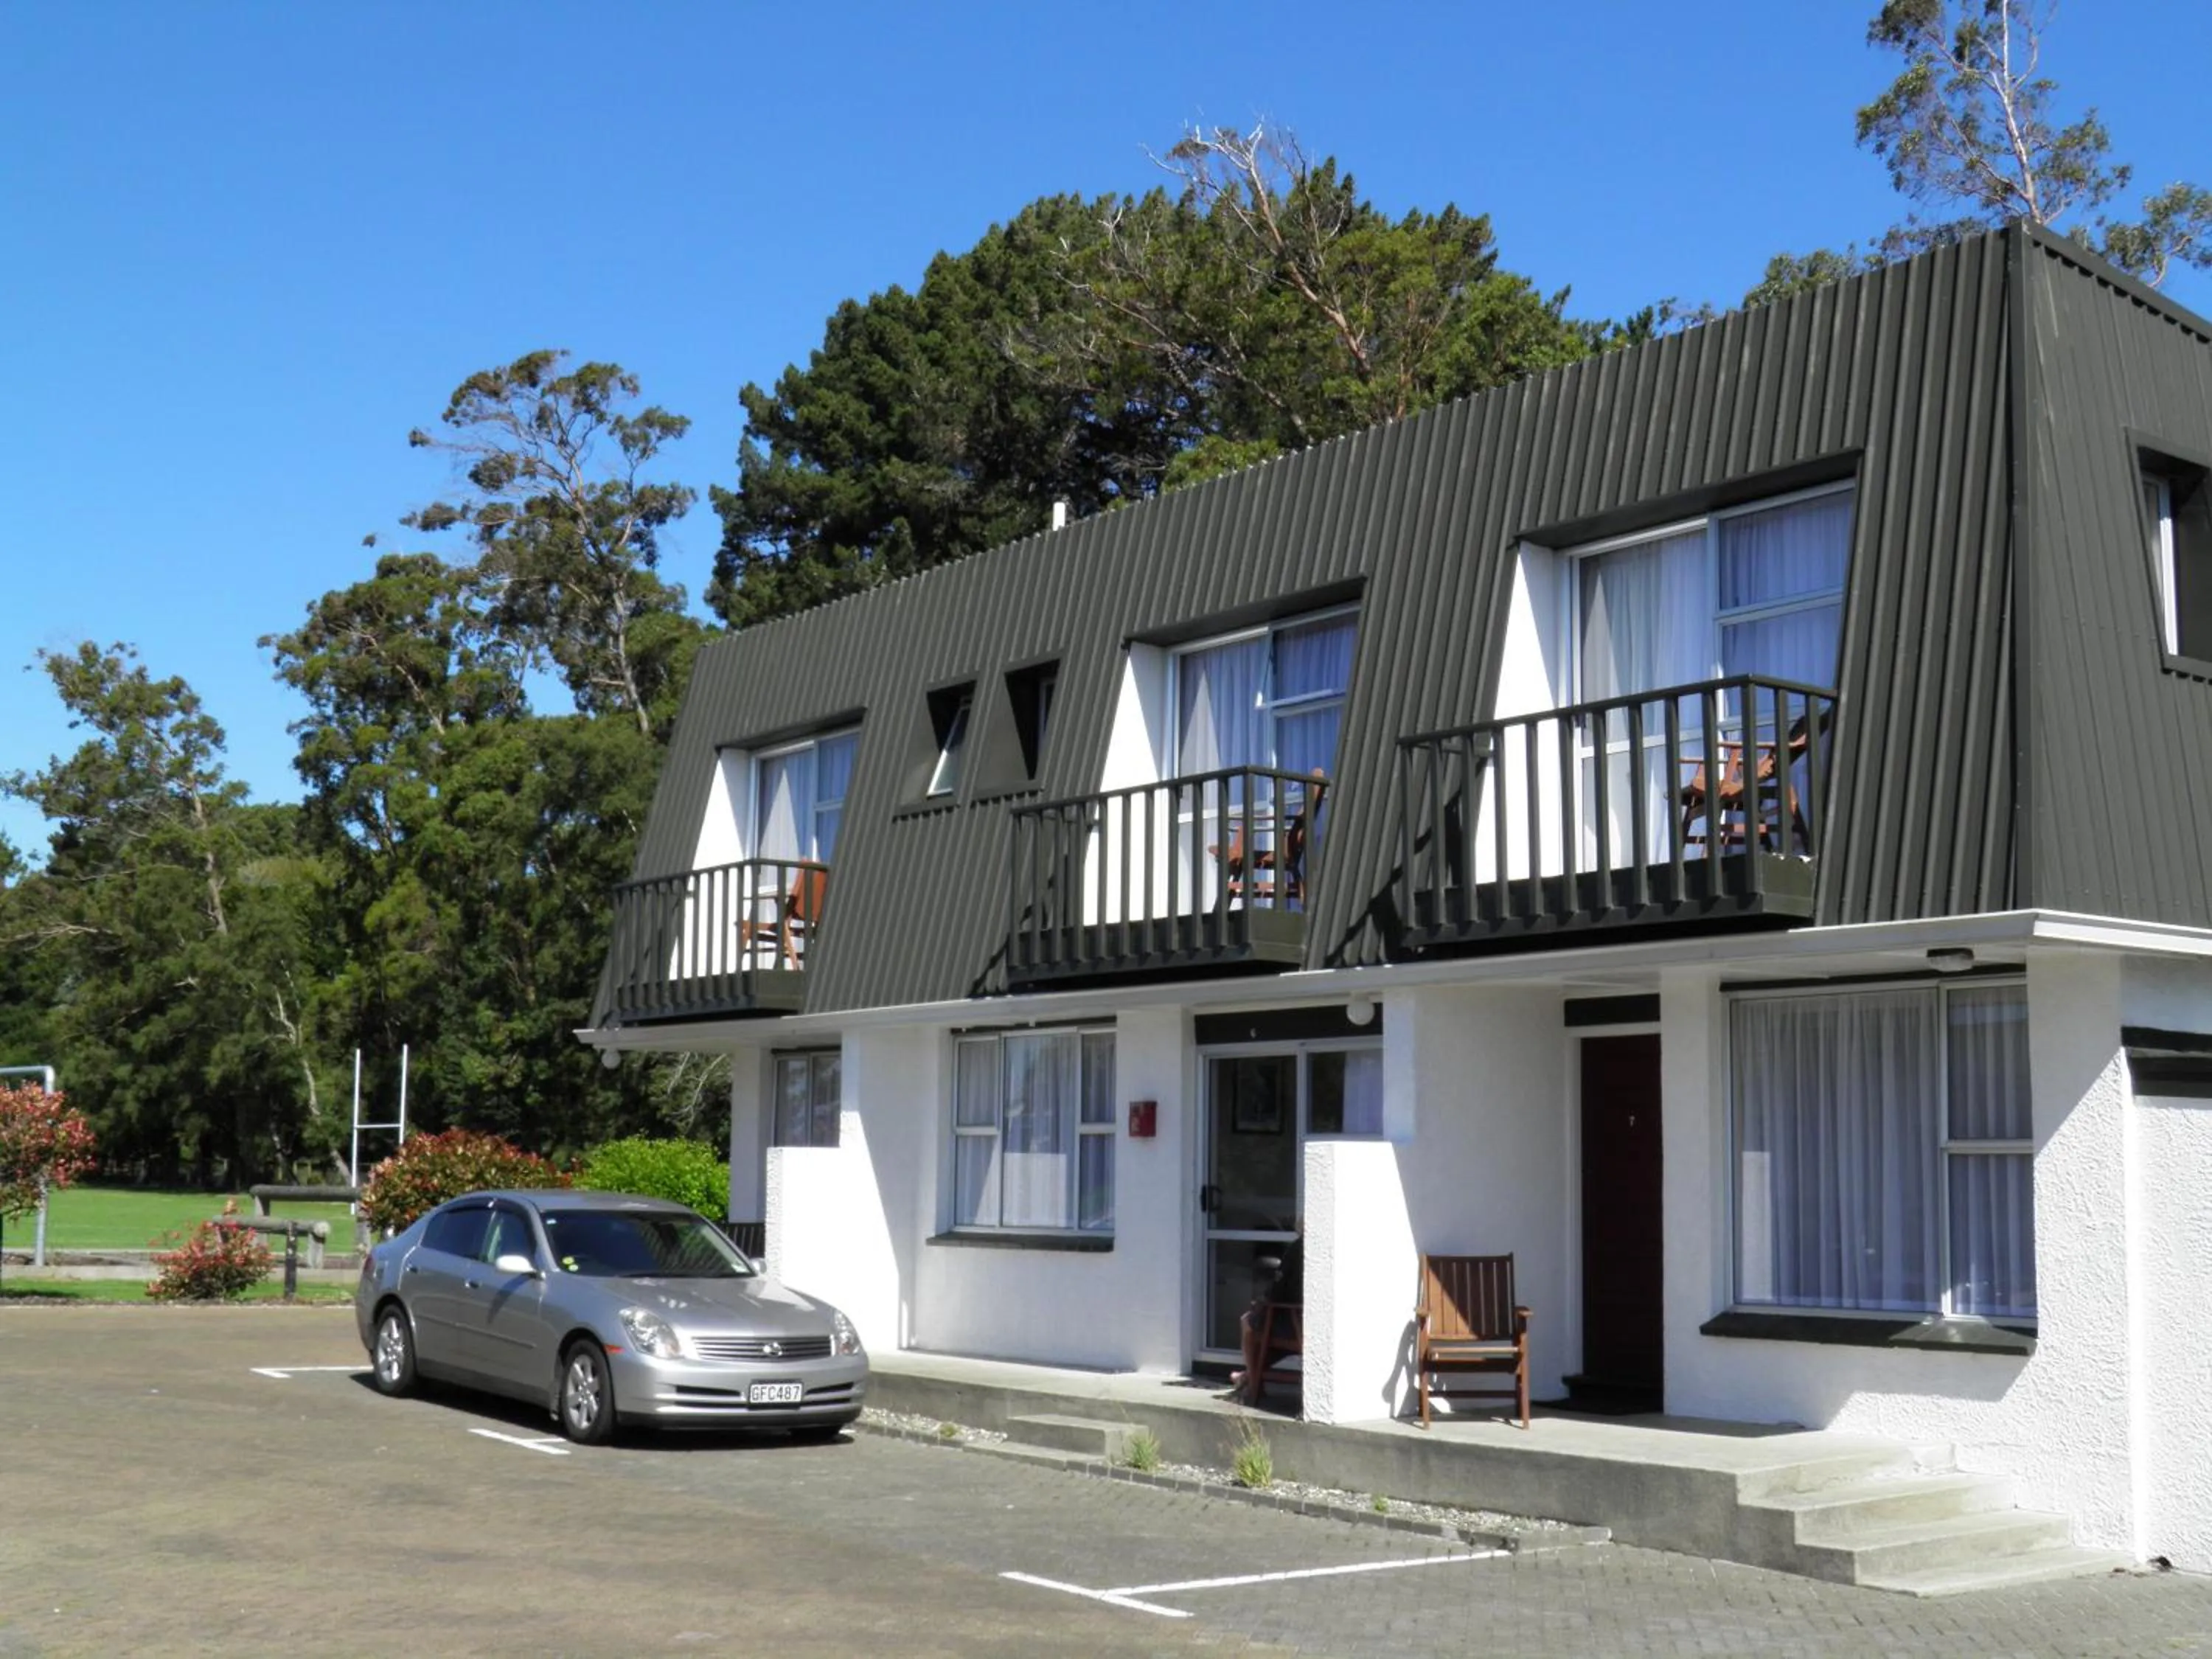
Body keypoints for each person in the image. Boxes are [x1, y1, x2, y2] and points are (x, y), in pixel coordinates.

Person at [1228, 1237, 1302, 1405]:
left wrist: (1262, 1303)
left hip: (1297, 1324)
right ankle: (1248, 1377)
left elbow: (1278, 1289)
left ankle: (1252, 1383)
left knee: (1248, 1322)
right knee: (1262, 1327)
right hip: (1315, 1325)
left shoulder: (1298, 1249)